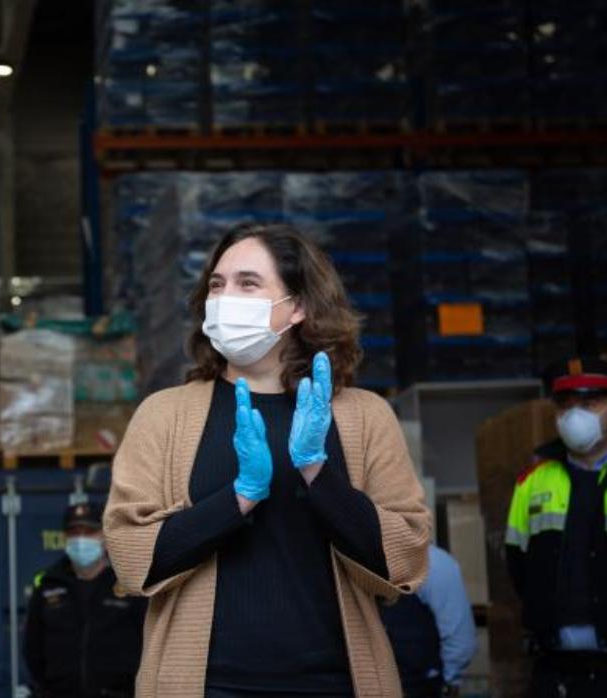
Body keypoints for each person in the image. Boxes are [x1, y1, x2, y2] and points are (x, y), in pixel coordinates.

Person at [104, 222, 432, 697]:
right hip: (208, 686)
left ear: (298, 306)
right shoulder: (164, 415)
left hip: (335, 684)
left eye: (247, 283)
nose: (224, 297)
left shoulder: (363, 417)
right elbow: (131, 560)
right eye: (217, 285)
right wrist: (238, 497)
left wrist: (319, 474)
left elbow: (405, 561)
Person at [505, 355, 607, 697]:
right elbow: (518, 565)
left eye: (590, 403)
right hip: (554, 667)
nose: (575, 416)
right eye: (565, 405)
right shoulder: (532, 482)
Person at [23, 502, 146, 698]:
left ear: (104, 537)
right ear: (65, 538)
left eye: (89, 532)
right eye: (74, 532)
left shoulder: (129, 586)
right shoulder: (48, 586)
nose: (81, 539)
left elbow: (148, 645)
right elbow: (33, 650)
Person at [379, 545, 477, 698]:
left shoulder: (432, 562)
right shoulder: (363, 560)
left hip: (420, 683)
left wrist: (449, 681)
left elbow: (460, 638)